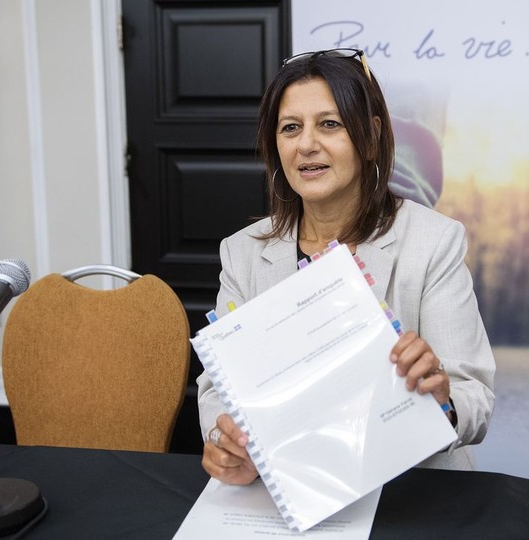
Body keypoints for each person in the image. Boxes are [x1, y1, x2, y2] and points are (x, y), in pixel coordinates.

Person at [196, 48, 495, 485]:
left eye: (330, 124)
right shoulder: (242, 254)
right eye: (291, 128)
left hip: (412, 490)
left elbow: (475, 396)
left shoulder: (433, 242)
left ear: (371, 136)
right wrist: (229, 444)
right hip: (294, 487)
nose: (306, 144)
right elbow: (217, 388)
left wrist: (443, 398)